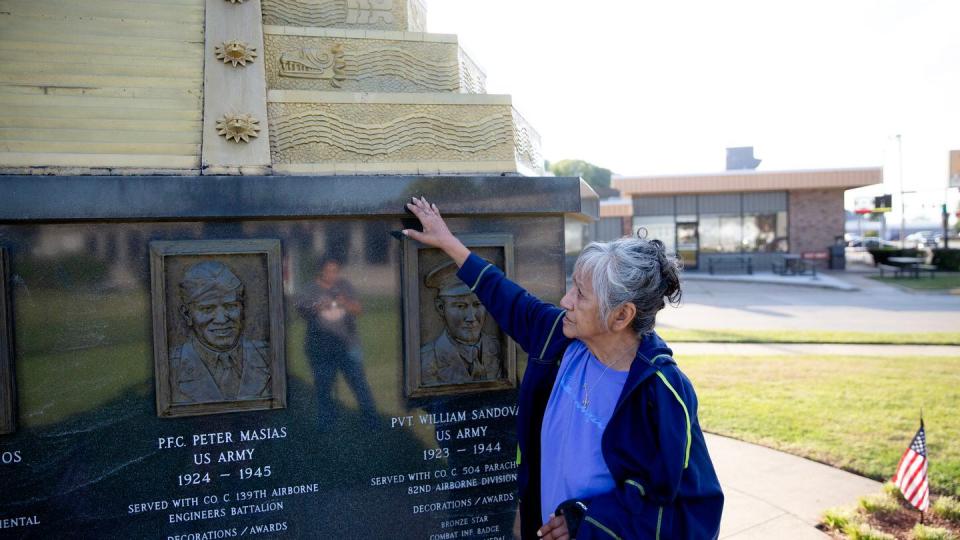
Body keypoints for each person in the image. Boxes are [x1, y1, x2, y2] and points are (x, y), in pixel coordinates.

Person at [404, 197, 723, 539]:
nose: (565, 301)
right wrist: (449, 242)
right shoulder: (561, 341)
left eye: (581, 295)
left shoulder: (660, 393)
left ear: (621, 315)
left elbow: (681, 505)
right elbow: (510, 299)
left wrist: (586, 522)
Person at [171, 261, 271, 404]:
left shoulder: (269, 356)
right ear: (187, 315)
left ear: (242, 308)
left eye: (231, 306)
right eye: (207, 309)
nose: (221, 319)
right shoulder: (170, 368)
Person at [296, 257, 377, 420]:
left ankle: (372, 420)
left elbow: (359, 310)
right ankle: (327, 424)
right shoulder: (310, 289)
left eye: (335, 271)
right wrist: (317, 306)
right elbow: (301, 311)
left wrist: (345, 302)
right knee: (324, 389)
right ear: (321, 271)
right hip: (320, 348)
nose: (333, 275)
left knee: (360, 385)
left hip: (348, 346)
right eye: (329, 271)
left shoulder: (345, 286)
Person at [420, 261, 502, 386]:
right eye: (460, 306)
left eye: (478, 304)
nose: (471, 317)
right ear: (441, 307)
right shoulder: (424, 360)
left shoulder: (499, 349)